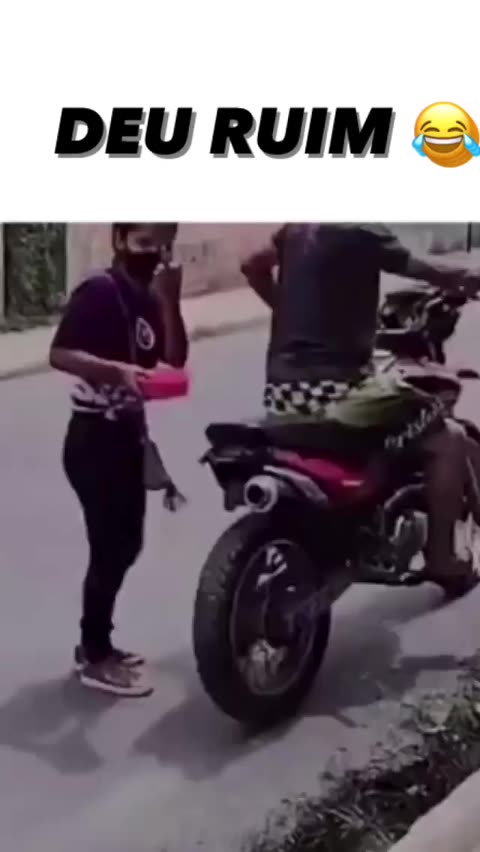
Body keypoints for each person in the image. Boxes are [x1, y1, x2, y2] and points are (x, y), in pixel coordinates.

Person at [240, 223, 480, 587]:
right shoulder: (364, 229)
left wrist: (287, 312)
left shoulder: (297, 228)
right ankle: (442, 557)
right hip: (340, 390)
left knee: (390, 413)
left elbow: (251, 265)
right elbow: (431, 271)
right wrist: (469, 276)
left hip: (282, 393)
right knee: (445, 435)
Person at [50, 222, 188, 696]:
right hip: (93, 438)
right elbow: (59, 353)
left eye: (163, 245)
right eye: (145, 242)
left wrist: (170, 300)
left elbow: (174, 359)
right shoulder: (99, 291)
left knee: (127, 544)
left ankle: (98, 643)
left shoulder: (149, 298)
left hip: (128, 436)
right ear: (120, 241)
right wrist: (115, 371)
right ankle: (94, 654)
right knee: (110, 548)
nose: (155, 254)